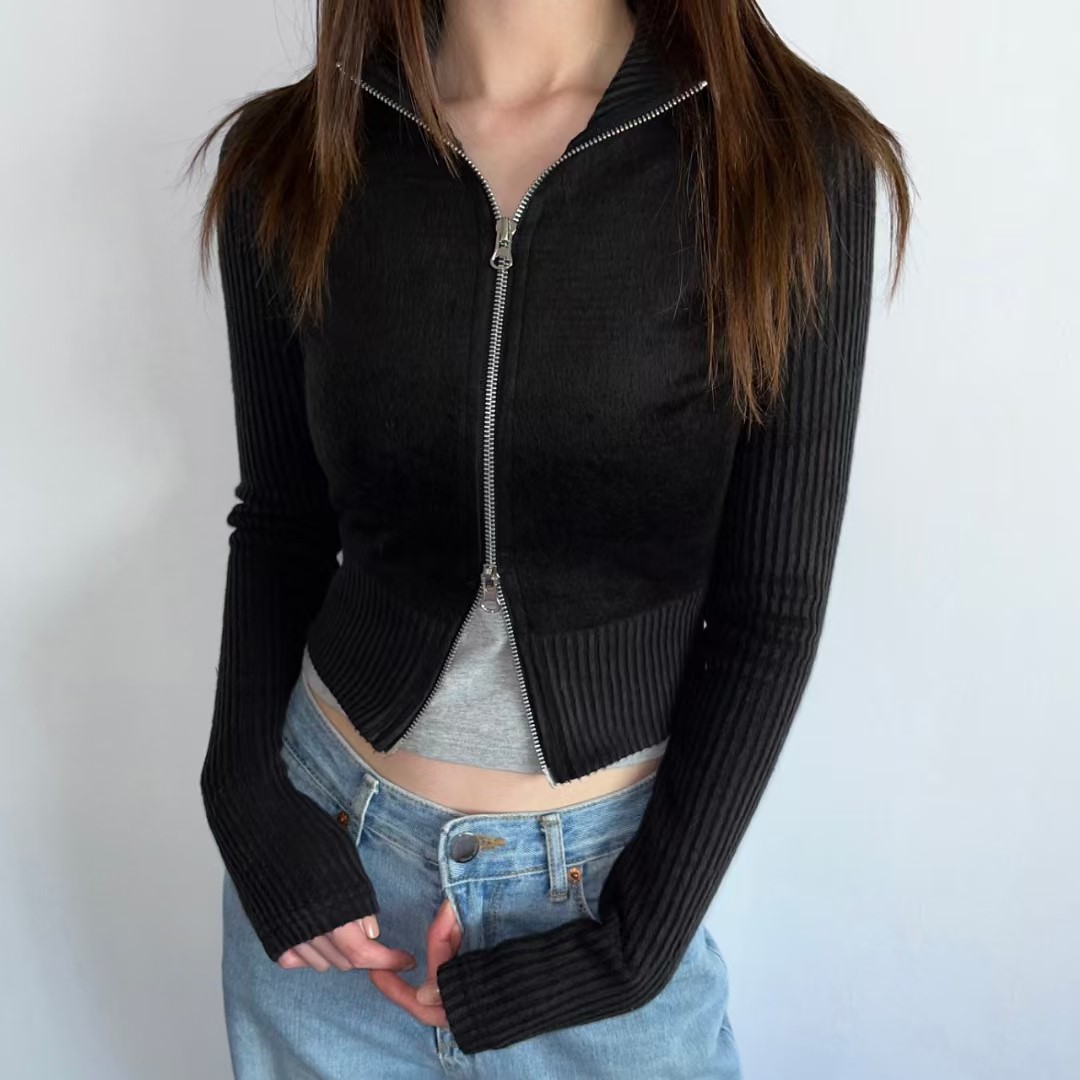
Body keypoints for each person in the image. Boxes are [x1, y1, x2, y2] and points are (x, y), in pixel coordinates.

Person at [187, 0, 911, 1074]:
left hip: (606, 906)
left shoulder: (792, 161)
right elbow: (282, 524)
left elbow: (770, 606)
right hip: (328, 891)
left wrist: (629, 951)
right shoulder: (292, 154)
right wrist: (245, 796)